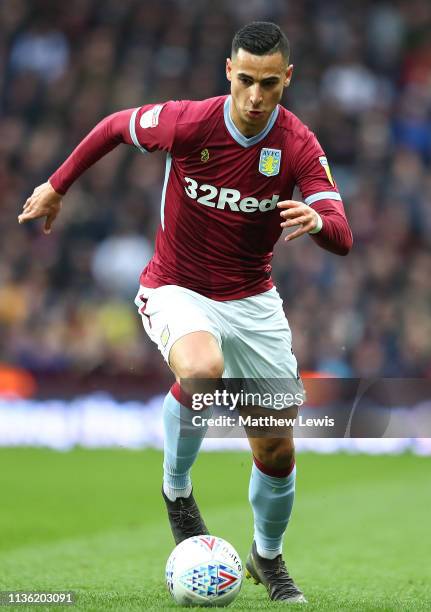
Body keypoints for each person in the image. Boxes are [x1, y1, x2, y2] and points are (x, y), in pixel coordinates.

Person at [18, 21, 352, 603]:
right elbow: (113, 127)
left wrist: (321, 224)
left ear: (287, 80)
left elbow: (344, 235)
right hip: (177, 287)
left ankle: (267, 558)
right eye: (245, 80)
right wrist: (57, 184)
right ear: (228, 71)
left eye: (269, 84)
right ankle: (178, 493)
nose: (254, 97)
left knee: (276, 448)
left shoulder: (298, 145)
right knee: (201, 369)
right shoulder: (189, 121)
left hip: (252, 301)